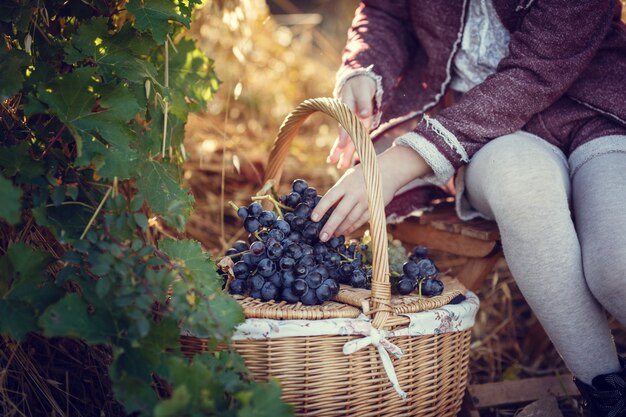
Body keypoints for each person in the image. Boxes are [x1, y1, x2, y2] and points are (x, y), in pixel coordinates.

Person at [310, 1, 626, 415]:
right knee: (520, 183)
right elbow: (384, 12)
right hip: (488, 138)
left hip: (596, 115)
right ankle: (607, 396)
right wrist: (362, 69)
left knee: (616, 268)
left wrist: (399, 163)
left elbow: (532, 76)